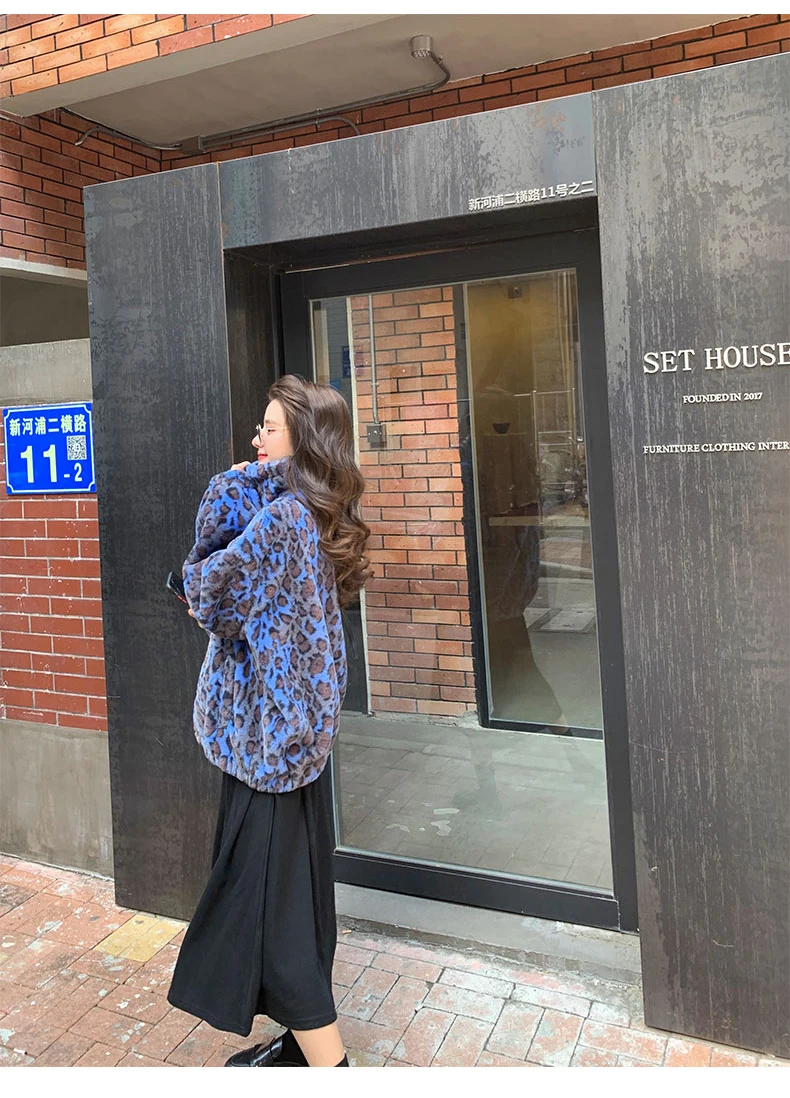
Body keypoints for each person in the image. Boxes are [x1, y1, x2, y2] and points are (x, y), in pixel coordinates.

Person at [167, 374, 371, 1068]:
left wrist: (229, 485)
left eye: (269, 428)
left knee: (278, 926)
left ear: (302, 441)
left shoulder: (279, 519)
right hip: (293, 743)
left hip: (268, 747)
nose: (256, 439)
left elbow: (209, 595)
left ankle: (331, 1068)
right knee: (297, 908)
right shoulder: (311, 512)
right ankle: (297, 1050)